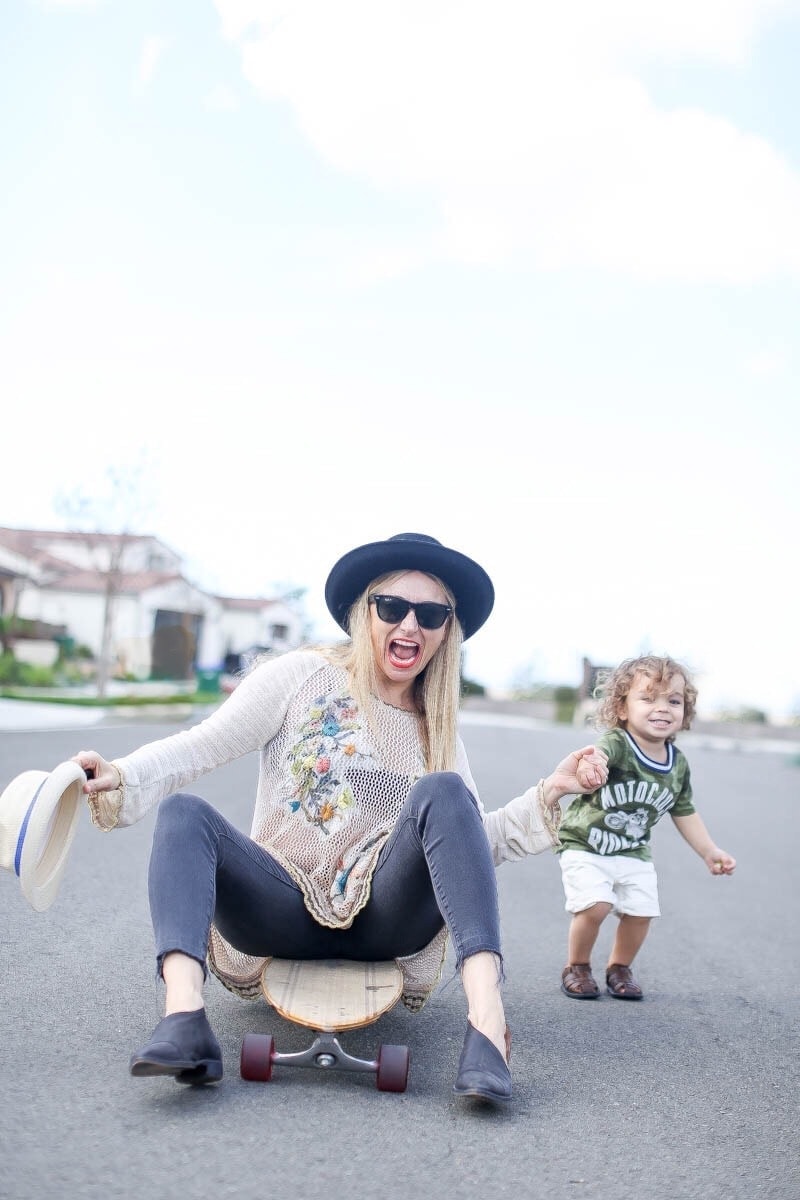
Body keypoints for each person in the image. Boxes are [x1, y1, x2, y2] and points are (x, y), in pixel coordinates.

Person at [73, 531, 608, 1104]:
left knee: (447, 792)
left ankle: (487, 1029)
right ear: (364, 611)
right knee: (184, 813)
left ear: (446, 630)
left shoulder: (438, 724)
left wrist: (552, 791)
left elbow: (469, 845)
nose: (410, 626)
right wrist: (122, 774)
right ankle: (184, 1020)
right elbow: (200, 747)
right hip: (282, 906)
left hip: (386, 920)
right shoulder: (301, 676)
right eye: (393, 607)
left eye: (430, 614)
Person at [557, 654, 736, 1002]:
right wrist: (593, 765)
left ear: (686, 711)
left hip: (633, 850)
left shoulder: (677, 764)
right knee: (595, 906)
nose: (663, 708)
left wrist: (709, 850)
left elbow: (684, 811)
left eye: (673, 700)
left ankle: (619, 968)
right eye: (648, 698)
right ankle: (576, 966)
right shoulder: (618, 744)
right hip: (585, 843)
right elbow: (599, 754)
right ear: (622, 708)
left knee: (641, 913)